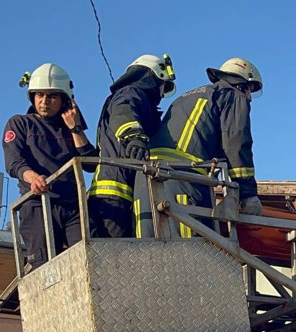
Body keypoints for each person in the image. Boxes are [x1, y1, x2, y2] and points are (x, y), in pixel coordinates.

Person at [136, 57, 264, 238]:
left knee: (150, 247)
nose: (249, 98)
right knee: (192, 249)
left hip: (145, 180)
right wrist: (248, 194)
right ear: (241, 84)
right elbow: (236, 142)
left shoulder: (190, 97)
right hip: (182, 179)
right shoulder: (232, 95)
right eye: (249, 90)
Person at [3, 63, 95, 271]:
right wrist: (33, 177)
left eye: (52, 96)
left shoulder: (70, 128)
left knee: (87, 262)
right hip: (37, 204)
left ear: (65, 100)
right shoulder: (20, 123)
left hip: (73, 207)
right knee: (44, 268)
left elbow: (90, 163)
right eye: (39, 95)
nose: (44, 101)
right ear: (32, 97)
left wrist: (75, 128)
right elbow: (14, 162)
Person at [88, 54, 176, 238]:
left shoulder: (139, 100)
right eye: (162, 86)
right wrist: (134, 137)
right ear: (152, 77)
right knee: (115, 255)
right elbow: (123, 112)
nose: (161, 94)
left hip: (124, 190)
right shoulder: (131, 93)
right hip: (113, 191)